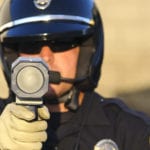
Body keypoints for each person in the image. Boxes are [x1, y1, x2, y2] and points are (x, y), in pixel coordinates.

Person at [0, 0, 149, 150]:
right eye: (30, 45)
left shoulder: (130, 131)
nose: (46, 57)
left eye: (61, 43)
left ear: (87, 50)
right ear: (11, 56)